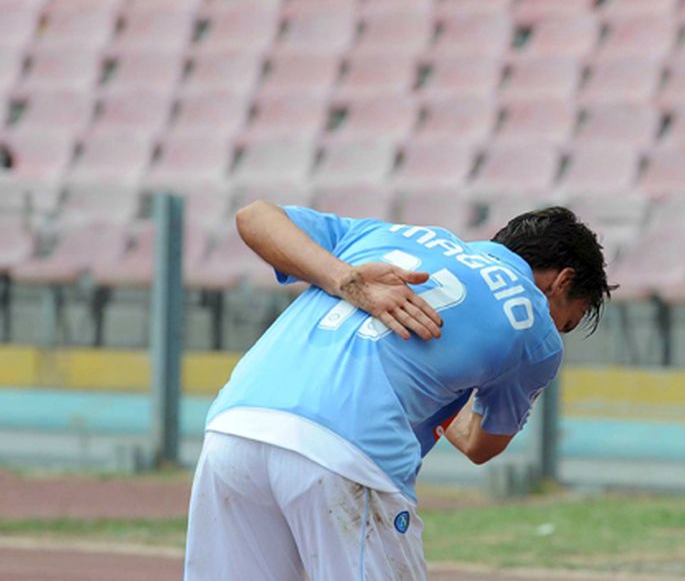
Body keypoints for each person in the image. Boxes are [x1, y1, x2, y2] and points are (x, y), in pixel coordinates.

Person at [183, 202, 612, 580]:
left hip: (236, 423)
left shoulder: (391, 234)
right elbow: (482, 443)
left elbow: (254, 215)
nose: (558, 330)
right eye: (567, 321)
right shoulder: (536, 330)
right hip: (348, 450)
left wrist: (345, 278)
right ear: (561, 282)